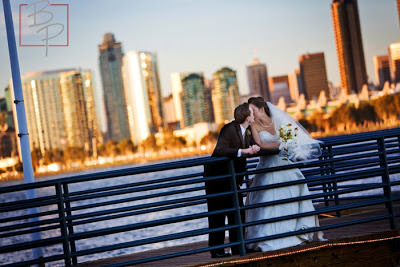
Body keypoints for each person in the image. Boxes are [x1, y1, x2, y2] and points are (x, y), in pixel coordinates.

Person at [245, 97, 325, 252]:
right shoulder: (253, 124)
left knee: (293, 192)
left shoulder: (279, 121)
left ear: (262, 109)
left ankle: (297, 232)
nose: (251, 113)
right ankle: (265, 238)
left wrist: (287, 144)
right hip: (267, 166)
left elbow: (291, 142)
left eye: (253, 110)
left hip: (283, 163)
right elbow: (260, 145)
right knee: (266, 198)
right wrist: (279, 144)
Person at [204, 102, 260, 258]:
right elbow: (221, 150)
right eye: (252, 113)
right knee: (218, 215)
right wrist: (244, 151)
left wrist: (255, 148)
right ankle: (217, 251)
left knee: (238, 214)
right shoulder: (229, 129)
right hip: (217, 178)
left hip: (232, 180)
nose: (254, 115)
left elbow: (250, 145)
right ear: (246, 117)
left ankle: (238, 247)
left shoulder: (247, 131)